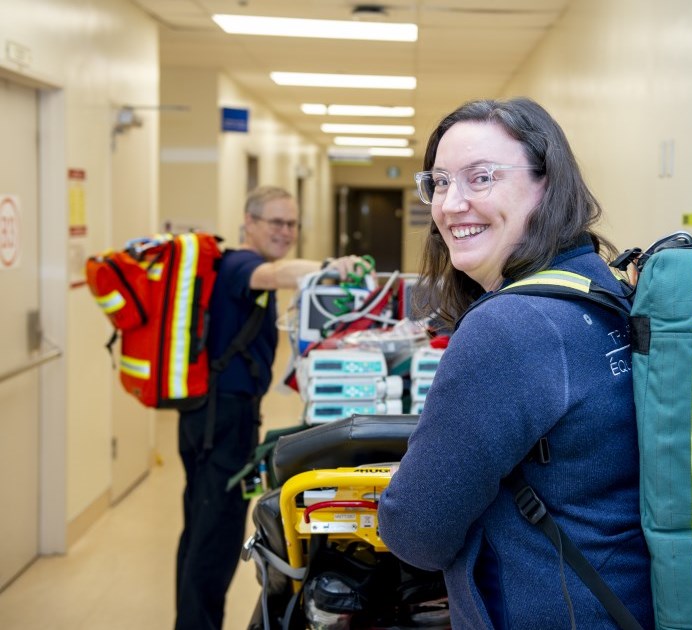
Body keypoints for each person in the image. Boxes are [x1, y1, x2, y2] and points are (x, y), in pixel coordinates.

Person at [377, 98, 654, 629]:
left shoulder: (510, 328)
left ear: (546, 184)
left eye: (480, 178)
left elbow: (417, 532)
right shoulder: (600, 285)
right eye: (439, 182)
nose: (452, 204)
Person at [174, 185, 364, 630]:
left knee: (204, 529)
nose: (285, 231)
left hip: (223, 415)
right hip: (218, 420)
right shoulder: (241, 264)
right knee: (213, 539)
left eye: (292, 223)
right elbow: (277, 274)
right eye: (276, 222)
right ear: (249, 223)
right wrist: (327, 268)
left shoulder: (245, 266)